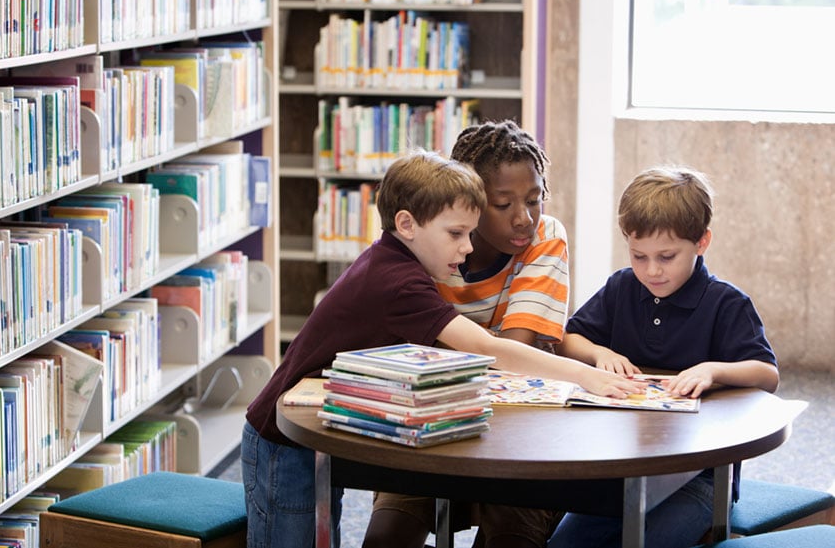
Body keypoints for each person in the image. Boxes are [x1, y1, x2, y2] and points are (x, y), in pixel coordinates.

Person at [242, 150, 643, 548]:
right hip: (283, 439)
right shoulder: (401, 284)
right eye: (456, 234)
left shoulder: (392, 260)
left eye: (470, 233)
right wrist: (586, 375)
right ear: (407, 224)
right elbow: (489, 348)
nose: (468, 247)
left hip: (311, 431)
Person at [547, 165, 779, 548]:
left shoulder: (726, 302)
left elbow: (766, 374)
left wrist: (713, 370)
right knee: (563, 545)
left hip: (701, 476)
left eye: (667, 257)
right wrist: (598, 352)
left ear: (702, 242)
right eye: (639, 256)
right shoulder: (622, 286)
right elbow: (568, 339)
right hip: (619, 466)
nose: (652, 271)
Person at [365, 120, 571, 548]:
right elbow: (410, 353)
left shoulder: (546, 237)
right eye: (503, 204)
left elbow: (512, 355)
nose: (525, 218)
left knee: (511, 536)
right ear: (471, 201)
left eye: (535, 200)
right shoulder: (425, 241)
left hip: (519, 433)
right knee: (386, 537)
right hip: (431, 423)